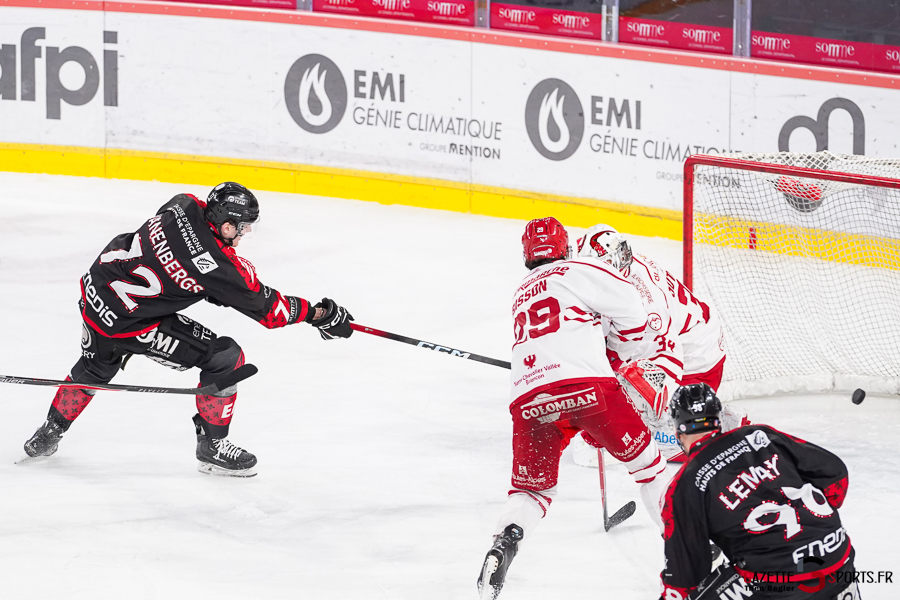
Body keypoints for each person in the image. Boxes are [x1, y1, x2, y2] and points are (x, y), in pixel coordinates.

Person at [20, 182, 353, 477]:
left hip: (96, 295)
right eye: (242, 228)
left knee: (95, 367)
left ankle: (48, 434)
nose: (244, 234)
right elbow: (269, 310)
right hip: (131, 323)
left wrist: (205, 286)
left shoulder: (183, 203)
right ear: (226, 225)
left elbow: (170, 252)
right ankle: (213, 448)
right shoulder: (221, 267)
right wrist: (320, 314)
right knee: (226, 359)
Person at [477, 217, 670, 600]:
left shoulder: (520, 293)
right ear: (565, 247)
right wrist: (614, 352)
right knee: (650, 469)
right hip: (590, 390)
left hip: (529, 400)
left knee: (530, 492)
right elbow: (633, 314)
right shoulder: (580, 268)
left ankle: (506, 541)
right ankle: (686, 544)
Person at [659, 383, 857, 600]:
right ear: (718, 419)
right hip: (838, 557)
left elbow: (684, 575)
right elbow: (835, 475)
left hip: (777, 581)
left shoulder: (683, 485)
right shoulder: (759, 435)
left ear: (677, 430)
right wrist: (814, 529)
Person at [571, 224, 742, 464]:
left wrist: (615, 385)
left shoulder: (647, 308)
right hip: (690, 340)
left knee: (632, 383)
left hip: (696, 364)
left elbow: (668, 360)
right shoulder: (621, 269)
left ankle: (705, 426)